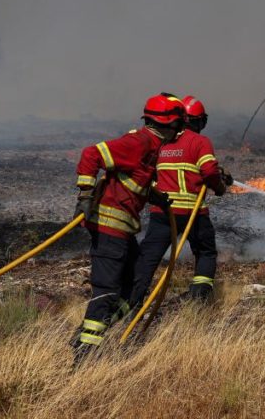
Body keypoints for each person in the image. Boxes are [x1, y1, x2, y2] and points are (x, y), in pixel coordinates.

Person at [71, 93, 185, 362]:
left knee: (135, 286)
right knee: (107, 292)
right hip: (110, 227)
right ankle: (85, 355)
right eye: (180, 124)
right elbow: (92, 154)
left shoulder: (152, 147)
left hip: (124, 229)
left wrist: (152, 194)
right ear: (170, 124)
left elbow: (131, 179)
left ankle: (93, 335)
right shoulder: (139, 142)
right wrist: (86, 194)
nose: (181, 130)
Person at [130, 95, 232, 307]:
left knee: (149, 257)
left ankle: (132, 302)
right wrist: (220, 187)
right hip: (193, 213)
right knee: (205, 252)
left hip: (162, 212)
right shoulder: (200, 142)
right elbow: (210, 172)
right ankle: (199, 300)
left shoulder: (159, 142)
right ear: (198, 121)